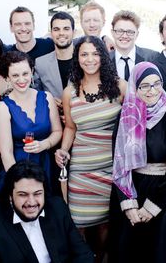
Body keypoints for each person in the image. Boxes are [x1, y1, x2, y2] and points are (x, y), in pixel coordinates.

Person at [110, 62, 166, 262]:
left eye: (157, 84)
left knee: (161, 251)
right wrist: (128, 204)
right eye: (145, 85)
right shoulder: (125, 117)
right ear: (134, 87)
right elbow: (119, 162)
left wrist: (152, 206)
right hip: (133, 189)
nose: (152, 91)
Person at [55, 35, 127, 262]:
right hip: (80, 169)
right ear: (77, 58)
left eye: (95, 53)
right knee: (79, 224)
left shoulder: (120, 87)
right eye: (84, 54)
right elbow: (70, 127)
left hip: (111, 168)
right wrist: (63, 151)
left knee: (106, 225)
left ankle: (102, 258)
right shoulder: (70, 92)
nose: (90, 59)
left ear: (103, 57)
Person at [0, 160, 94, 263]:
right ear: (10, 196)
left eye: (37, 193)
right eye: (23, 195)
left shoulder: (58, 208)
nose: (31, 202)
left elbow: (83, 254)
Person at [0, 51, 62, 188]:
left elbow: (57, 131)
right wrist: (19, 183)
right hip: (16, 169)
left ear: (31, 72)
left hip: (45, 167)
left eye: (25, 73)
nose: (21, 79)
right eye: (15, 75)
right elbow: (6, 153)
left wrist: (45, 144)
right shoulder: (2, 107)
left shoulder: (46, 97)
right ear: (7, 78)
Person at [34, 12, 75, 105]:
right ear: (51, 33)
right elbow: (35, 93)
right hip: (52, 116)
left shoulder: (85, 59)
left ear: (73, 32)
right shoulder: (40, 63)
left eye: (66, 29)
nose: (61, 33)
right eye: (56, 29)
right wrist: (48, 101)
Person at [109, 10, 160, 81]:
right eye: (120, 31)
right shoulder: (104, 59)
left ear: (137, 34)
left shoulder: (152, 57)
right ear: (112, 33)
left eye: (130, 32)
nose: (124, 36)